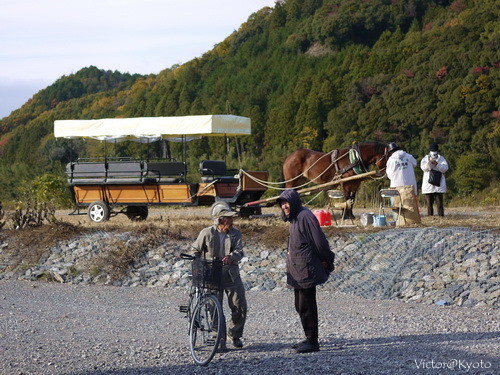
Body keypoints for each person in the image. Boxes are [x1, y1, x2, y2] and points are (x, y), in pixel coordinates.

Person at [277, 189, 335, 354]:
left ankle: (312, 341)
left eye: (286, 202)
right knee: (300, 305)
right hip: (297, 270)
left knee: (307, 305)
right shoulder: (295, 217)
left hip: (306, 269)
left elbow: (319, 241)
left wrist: (328, 259)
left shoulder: (305, 216)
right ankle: (308, 337)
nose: (284, 206)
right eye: (282, 203)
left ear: (294, 202)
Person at [191, 202, 247, 351]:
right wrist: (196, 266)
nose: (232, 221)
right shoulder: (206, 233)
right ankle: (219, 339)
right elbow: (194, 250)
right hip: (212, 274)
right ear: (219, 220)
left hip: (231, 274)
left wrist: (231, 257)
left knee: (239, 305)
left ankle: (234, 334)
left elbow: (240, 252)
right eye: (228, 218)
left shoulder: (236, 234)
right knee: (214, 308)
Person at [420, 142, 449, 216]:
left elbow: (445, 168)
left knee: (440, 204)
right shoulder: (425, 158)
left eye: (435, 150)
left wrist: (437, 164)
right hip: (428, 185)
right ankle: (430, 217)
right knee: (429, 204)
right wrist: (429, 163)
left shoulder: (441, 158)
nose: (434, 152)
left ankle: (441, 217)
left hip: (439, 185)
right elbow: (423, 168)